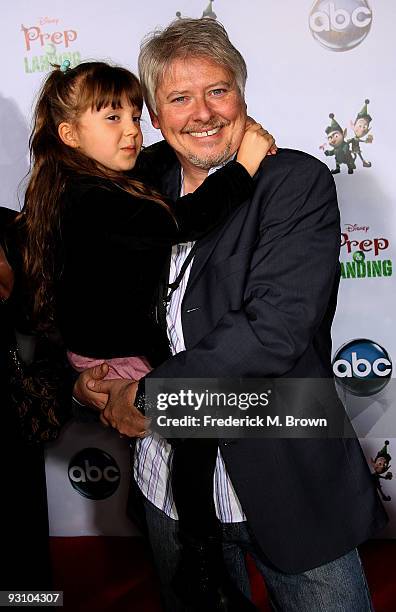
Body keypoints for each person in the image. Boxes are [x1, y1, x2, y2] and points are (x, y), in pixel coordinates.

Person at [75, 18, 387, 612]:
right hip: (168, 481)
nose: (203, 113)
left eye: (218, 90)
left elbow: (275, 330)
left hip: (284, 469)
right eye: (179, 98)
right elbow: (95, 289)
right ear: (157, 118)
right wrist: (91, 377)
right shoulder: (137, 187)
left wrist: (150, 396)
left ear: (242, 97)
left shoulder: (294, 181)